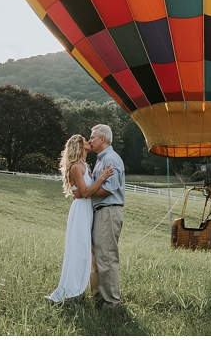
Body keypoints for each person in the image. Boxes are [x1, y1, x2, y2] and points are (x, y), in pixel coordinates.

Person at [46, 134, 114, 303]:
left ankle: (77, 290)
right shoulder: (77, 166)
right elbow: (84, 192)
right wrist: (103, 178)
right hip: (80, 211)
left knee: (84, 251)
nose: (89, 142)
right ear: (79, 145)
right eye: (85, 140)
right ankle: (71, 290)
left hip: (86, 209)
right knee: (79, 250)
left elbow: (84, 191)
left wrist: (88, 188)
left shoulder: (85, 165)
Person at [74, 123, 125, 310]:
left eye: (92, 137)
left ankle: (112, 303)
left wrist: (85, 193)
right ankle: (99, 300)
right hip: (99, 213)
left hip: (108, 211)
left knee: (107, 257)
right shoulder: (100, 160)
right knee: (96, 257)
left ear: (102, 139)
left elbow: (108, 189)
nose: (89, 140)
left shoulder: (111, 159)